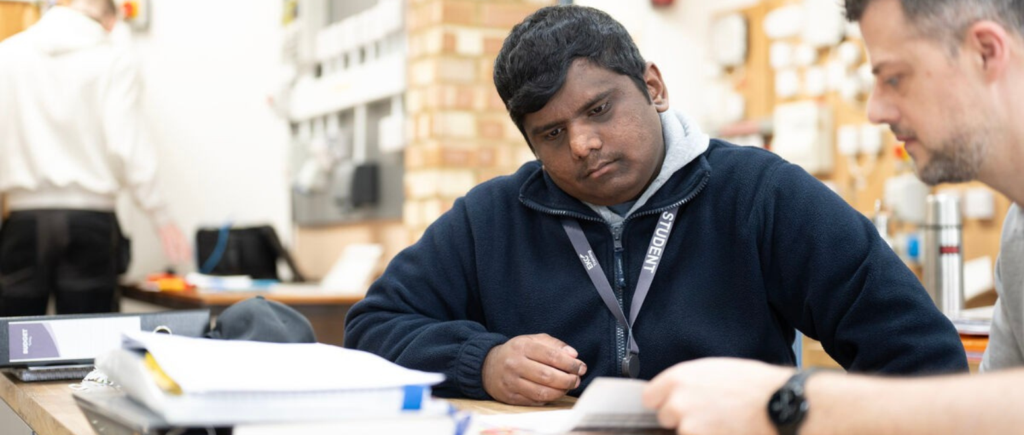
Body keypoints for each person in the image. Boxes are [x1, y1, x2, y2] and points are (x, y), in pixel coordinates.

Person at [344, 5, 968, 407]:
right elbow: (372, 328)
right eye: (552, 134)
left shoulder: (761, 194)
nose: (584, 144)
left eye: (599, 109)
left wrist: (799, 412)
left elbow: (919, 355)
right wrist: (480, 361)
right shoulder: (491, 218)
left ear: (653, 85)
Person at [642, 0, 1024, 433]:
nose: (876, 110)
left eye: (895, 78)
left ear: (986, 53)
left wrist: (791, 404)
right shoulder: (1017, 235)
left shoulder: (758, 188)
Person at [0, 0, 190, 316]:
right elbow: (127, 145)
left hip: (23, 220)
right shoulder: (115, 58)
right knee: (90, 349)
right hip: (90, 221)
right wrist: (161, 216)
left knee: (9, 349)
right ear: (112, 20)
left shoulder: (8, 55)